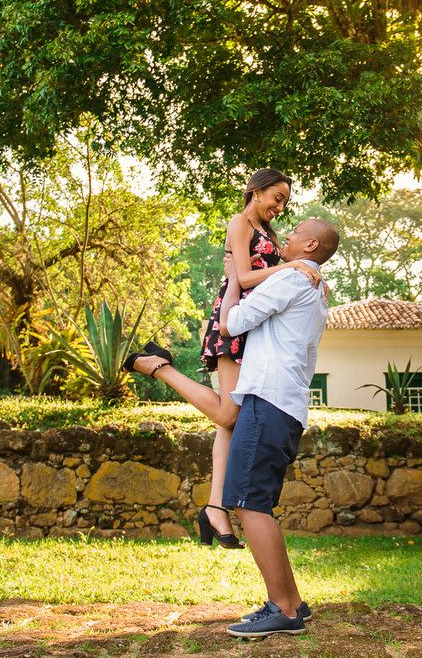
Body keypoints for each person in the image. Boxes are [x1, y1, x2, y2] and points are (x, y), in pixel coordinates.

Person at [127, 217, 339, 638]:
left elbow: (230, 325)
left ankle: (282, 609)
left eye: (295, 231)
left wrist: (233, 281)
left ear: (311, 244)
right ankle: (293, 603)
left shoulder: (292, 281)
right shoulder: (310, 286)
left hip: (267, 403)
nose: (288, 235)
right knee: (257, 501)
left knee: (247, 502)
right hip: (284, 405)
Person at [160, 169, 322, 549]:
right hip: (233, 317)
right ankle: (160, 368)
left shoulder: (273, 235)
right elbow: (246, 277)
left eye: (284, 202)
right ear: (256, 191)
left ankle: (216, 507)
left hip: (256, 323)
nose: (279, 207)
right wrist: (294, 266)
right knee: (228, 415)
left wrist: (309, 269)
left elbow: (296, 268)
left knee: (229, 424)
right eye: (275, 198)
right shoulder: (241, 222)